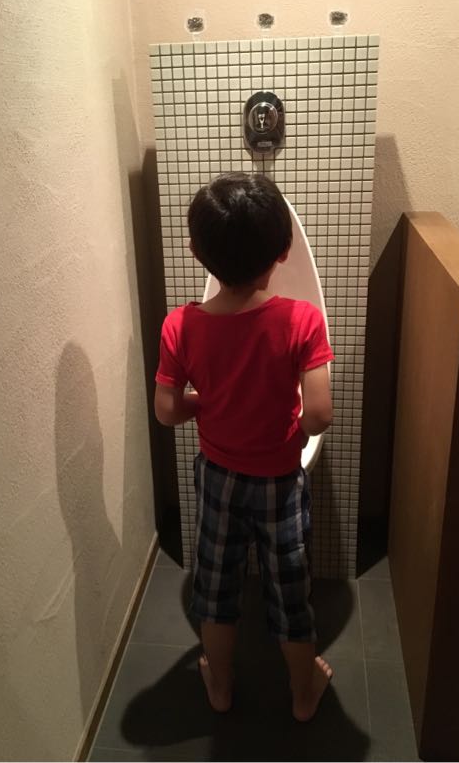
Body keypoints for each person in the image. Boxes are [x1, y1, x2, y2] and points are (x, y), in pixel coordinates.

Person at [154, 172, 334, 721]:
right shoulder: (302, 320)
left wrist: (205, 404)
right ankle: (303, 693)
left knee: (216, 589)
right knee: (289, 592)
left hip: (218, 479)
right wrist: (288, 427)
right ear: (283, 251)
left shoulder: (180, 325)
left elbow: (166, 410)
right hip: (279, 482)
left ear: (196, 252)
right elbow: (319, 414)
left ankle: (220, 685)